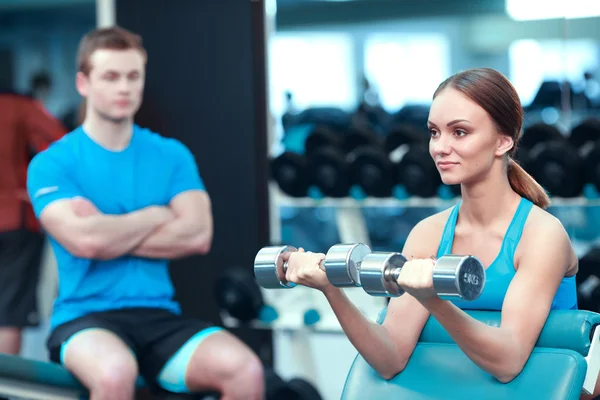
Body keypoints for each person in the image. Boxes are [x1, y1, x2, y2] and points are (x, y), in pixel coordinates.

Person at [282, 68, 589, 394]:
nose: (439, 147)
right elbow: (390, 357)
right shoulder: (428, 233)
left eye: (459, 132)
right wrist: (331, 290)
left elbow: (508, 361)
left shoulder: (541, 235)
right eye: (434, 132)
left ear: (503, 141)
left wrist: (432, 299)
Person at [26, 26, 264, 400]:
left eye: (133, 76)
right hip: (83, 319)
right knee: (116, 372)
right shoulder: (52, 163)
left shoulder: (171, 155)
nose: (124, 88)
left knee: (244, 370)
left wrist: (107, 230)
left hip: (158, 316)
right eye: (111, 76)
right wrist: (156, 214)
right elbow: (85, 241)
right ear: (83, 83)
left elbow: (198, 235)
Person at [0, 87, 66, 357]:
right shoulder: (19, 105)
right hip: (14, 217)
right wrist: (35, 186)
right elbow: (61, 145)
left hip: (15, 220)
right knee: (9, 312)